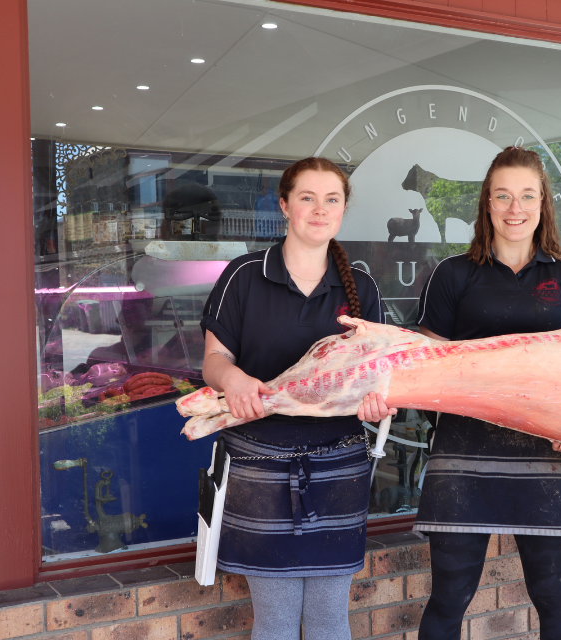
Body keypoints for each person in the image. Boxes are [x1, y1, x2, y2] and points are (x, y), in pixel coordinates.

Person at [398, 146, 561, 640]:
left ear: (543, 203)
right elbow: (426, 370)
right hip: (463, 455)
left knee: (555, 601)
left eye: (527, 195)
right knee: (448, 598)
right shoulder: (451, 275)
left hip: (548, 458)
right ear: (487, 204)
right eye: (503, 196)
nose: (516, 208)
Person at [199, 157, 385, 640]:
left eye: (332, 199)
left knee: (329, 620)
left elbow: (381, 377)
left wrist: (380, 402)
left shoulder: (360, 288)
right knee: (276, 621)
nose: (319, 210)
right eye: (307, 198)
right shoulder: (243, 276)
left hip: (339, 467)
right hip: (260, 465)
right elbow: (213, 360)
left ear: (343, 210)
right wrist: (233, 379)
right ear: (284, 205)